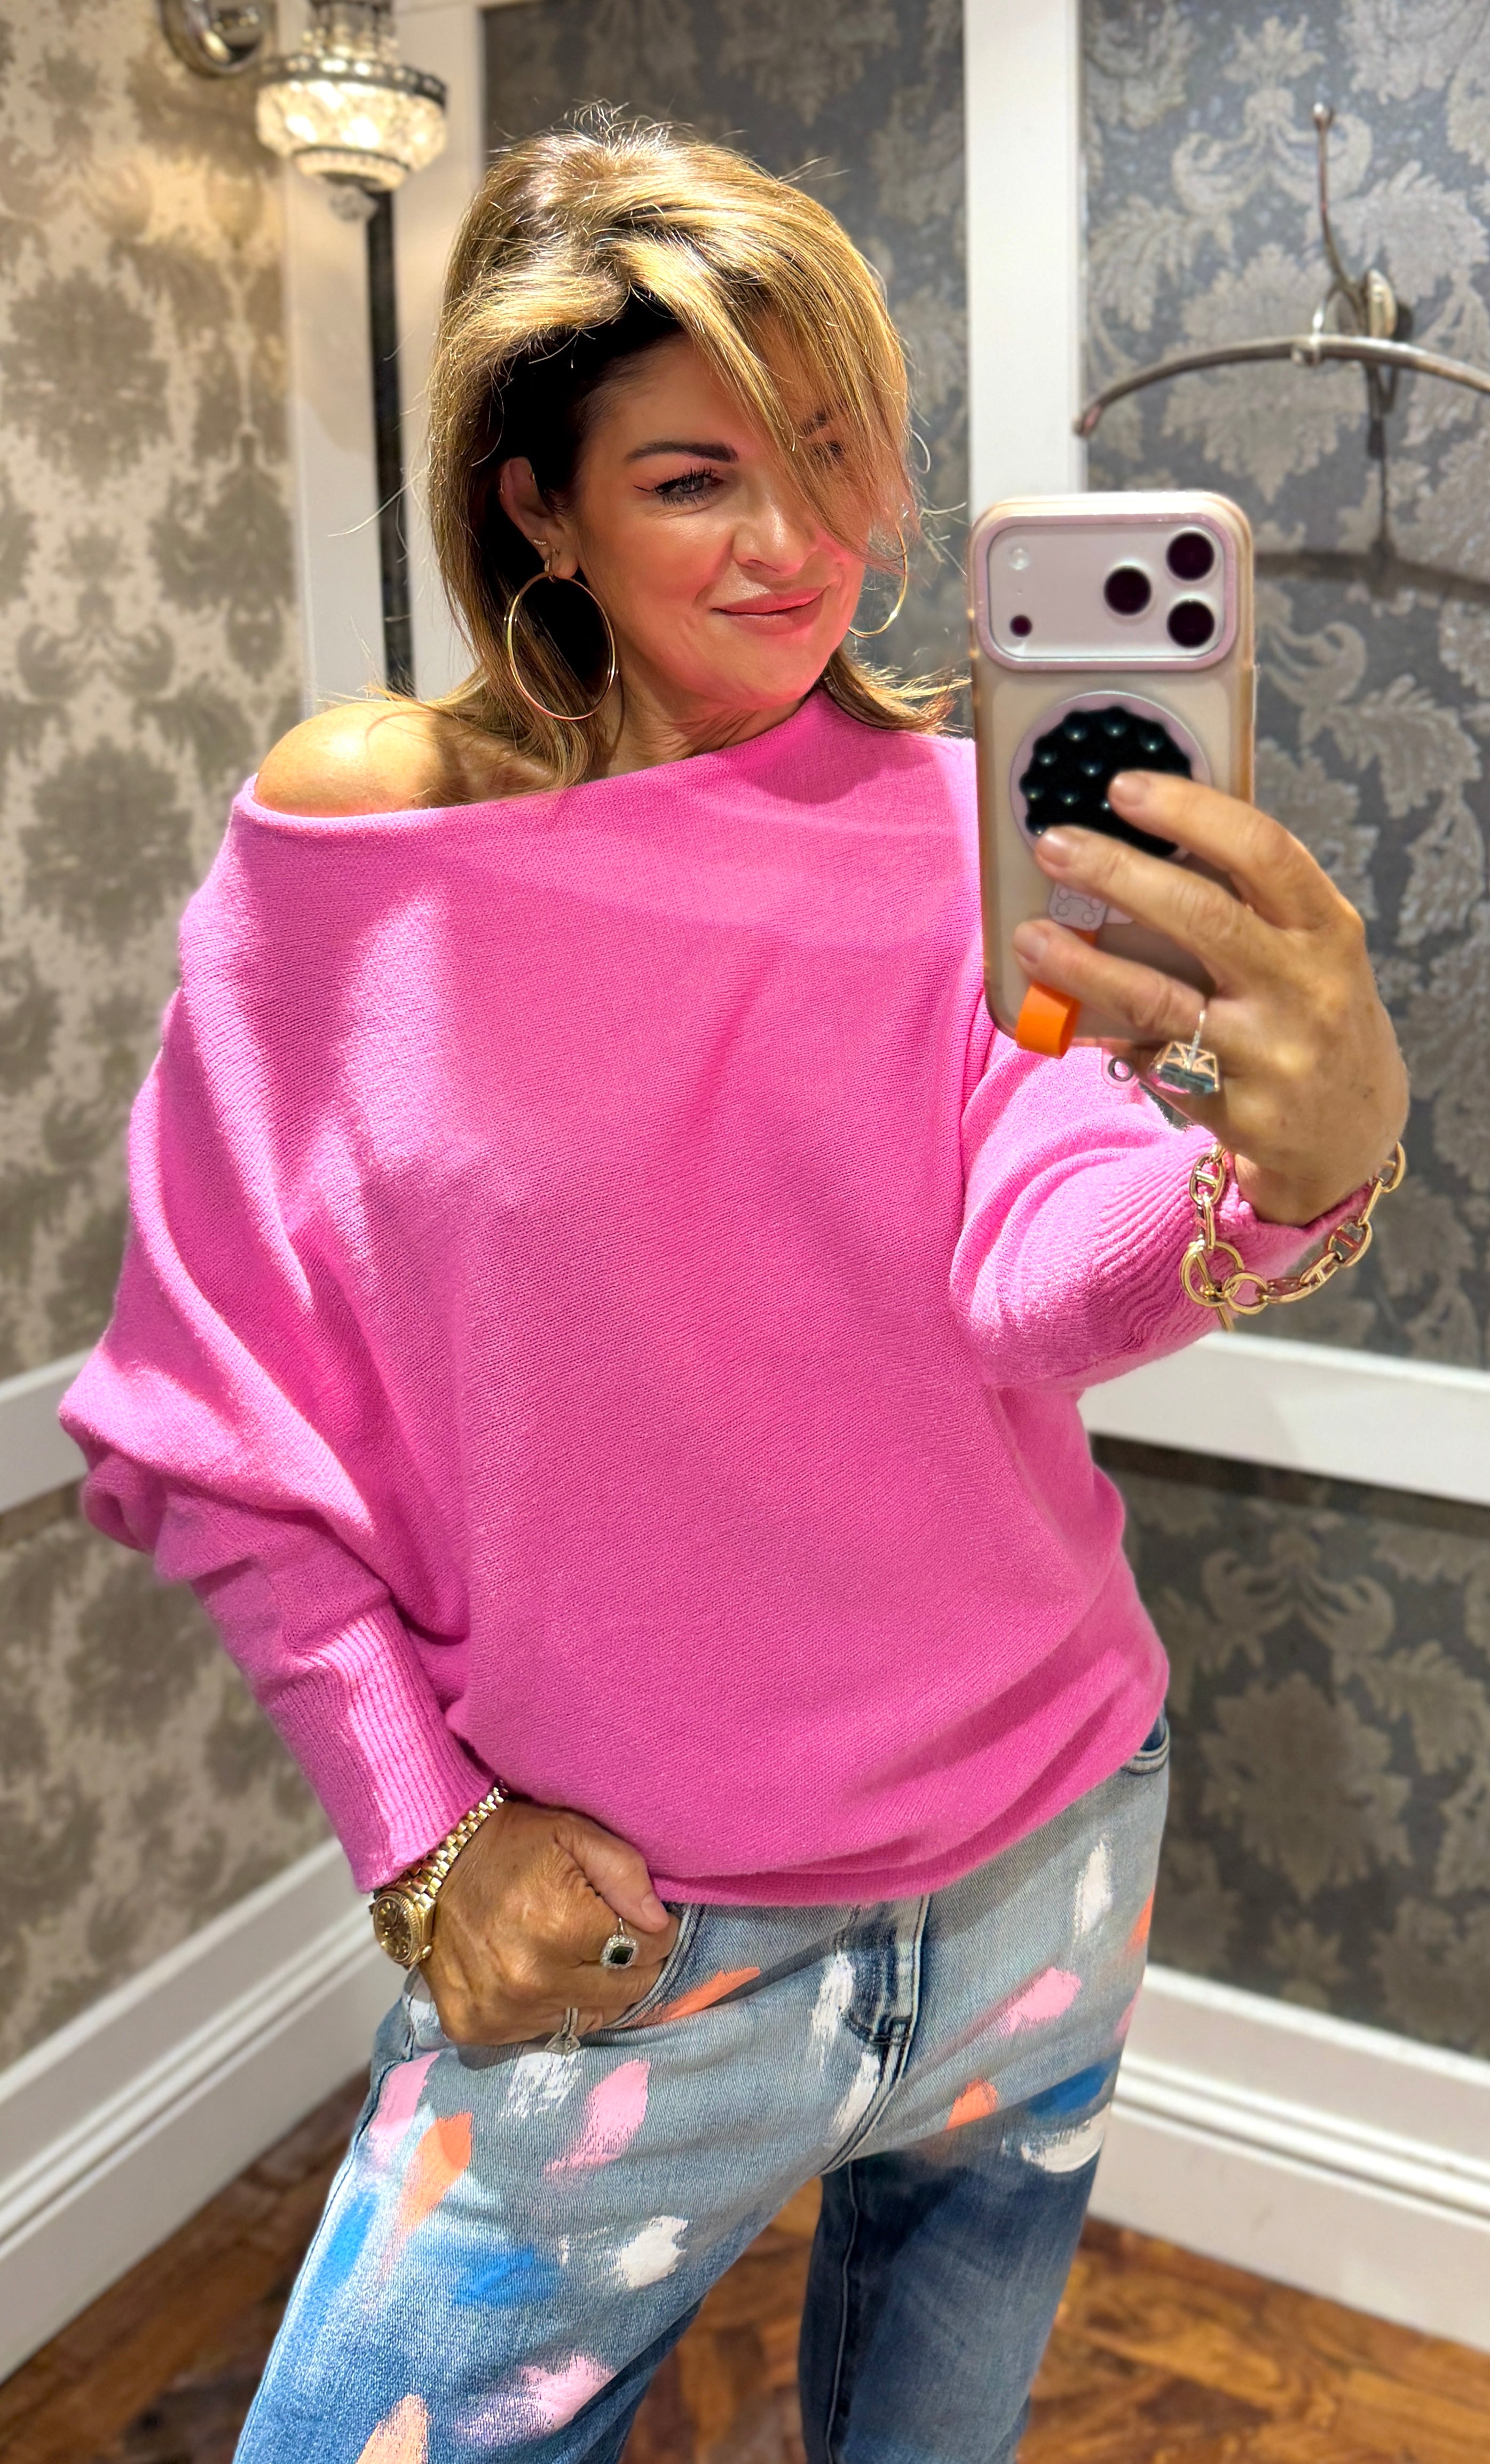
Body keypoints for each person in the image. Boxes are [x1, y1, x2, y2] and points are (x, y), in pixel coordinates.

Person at [62, 119, 1407, 2464]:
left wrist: (1291, 1172)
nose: (795, 542)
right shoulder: (362, 842)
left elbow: (1029, 1275)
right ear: (537, 506)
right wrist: (420, 1835)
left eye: (831, 452)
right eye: (694, 477)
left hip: (1047, 1858)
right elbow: (211, 1407)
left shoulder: (971, 826)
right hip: (629, 1950)